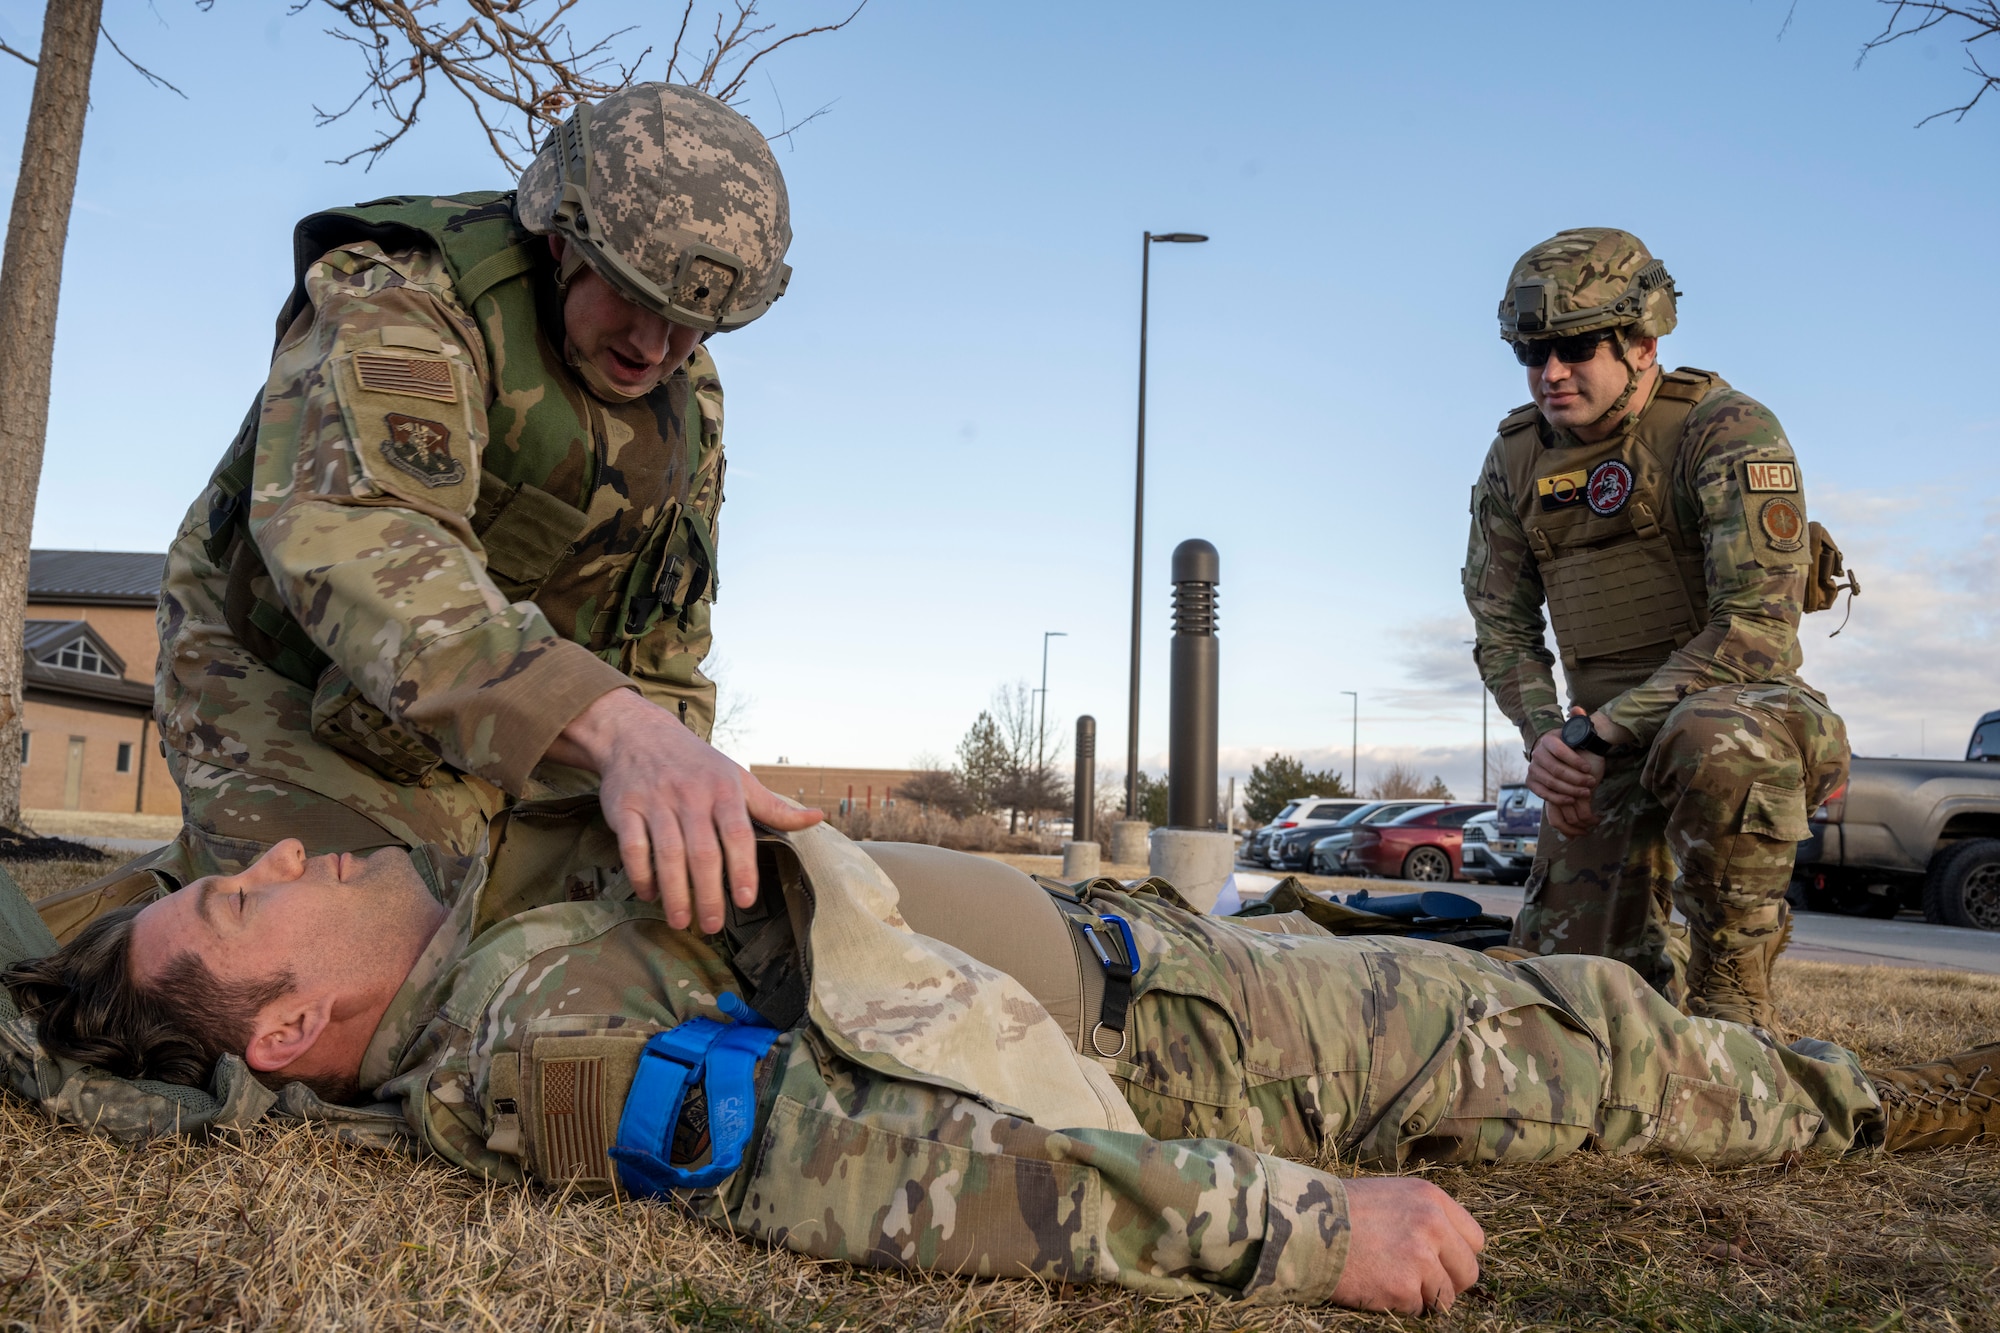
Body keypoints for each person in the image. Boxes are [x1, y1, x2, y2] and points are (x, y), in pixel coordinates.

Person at [8, 819, 1993, 1315]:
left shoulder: (478, 926)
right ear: (289, 1034)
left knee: (1577, 1004)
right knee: (1615, 1048)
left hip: (1156, 946)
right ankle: (1892, 1103)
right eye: (254, 904)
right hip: (1200, 1045)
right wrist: (1306, 1234)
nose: (289, 858)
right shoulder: (536, 1046)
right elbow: (871, 1176)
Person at [36, 82, 818, 947]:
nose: (654, 346)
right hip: (279, 668)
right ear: (561, 236)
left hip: (497, 711)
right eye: (632, 296)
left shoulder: (688, 402)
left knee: (664, 922)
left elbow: (662, 636)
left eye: (692, 326)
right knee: (359, 952)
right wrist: (613, 724)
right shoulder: (406, 299)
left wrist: (671, 782)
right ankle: (76, 956)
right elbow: (363, 540)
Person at [1463, 228, 1853, 1027]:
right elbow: (1500, 628)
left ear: (1643, 342)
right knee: (1565, 1005)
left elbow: (1756, 629)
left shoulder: (1724, 430)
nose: (1550, 373)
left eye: (1574, 347)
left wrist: (1601, 732)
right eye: (1530, 353)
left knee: (1712, 737)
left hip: (1748, 712)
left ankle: (1733, 975)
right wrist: (1550, 739)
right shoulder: (1513, 461)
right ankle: (1653, 957)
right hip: (1601, 744)